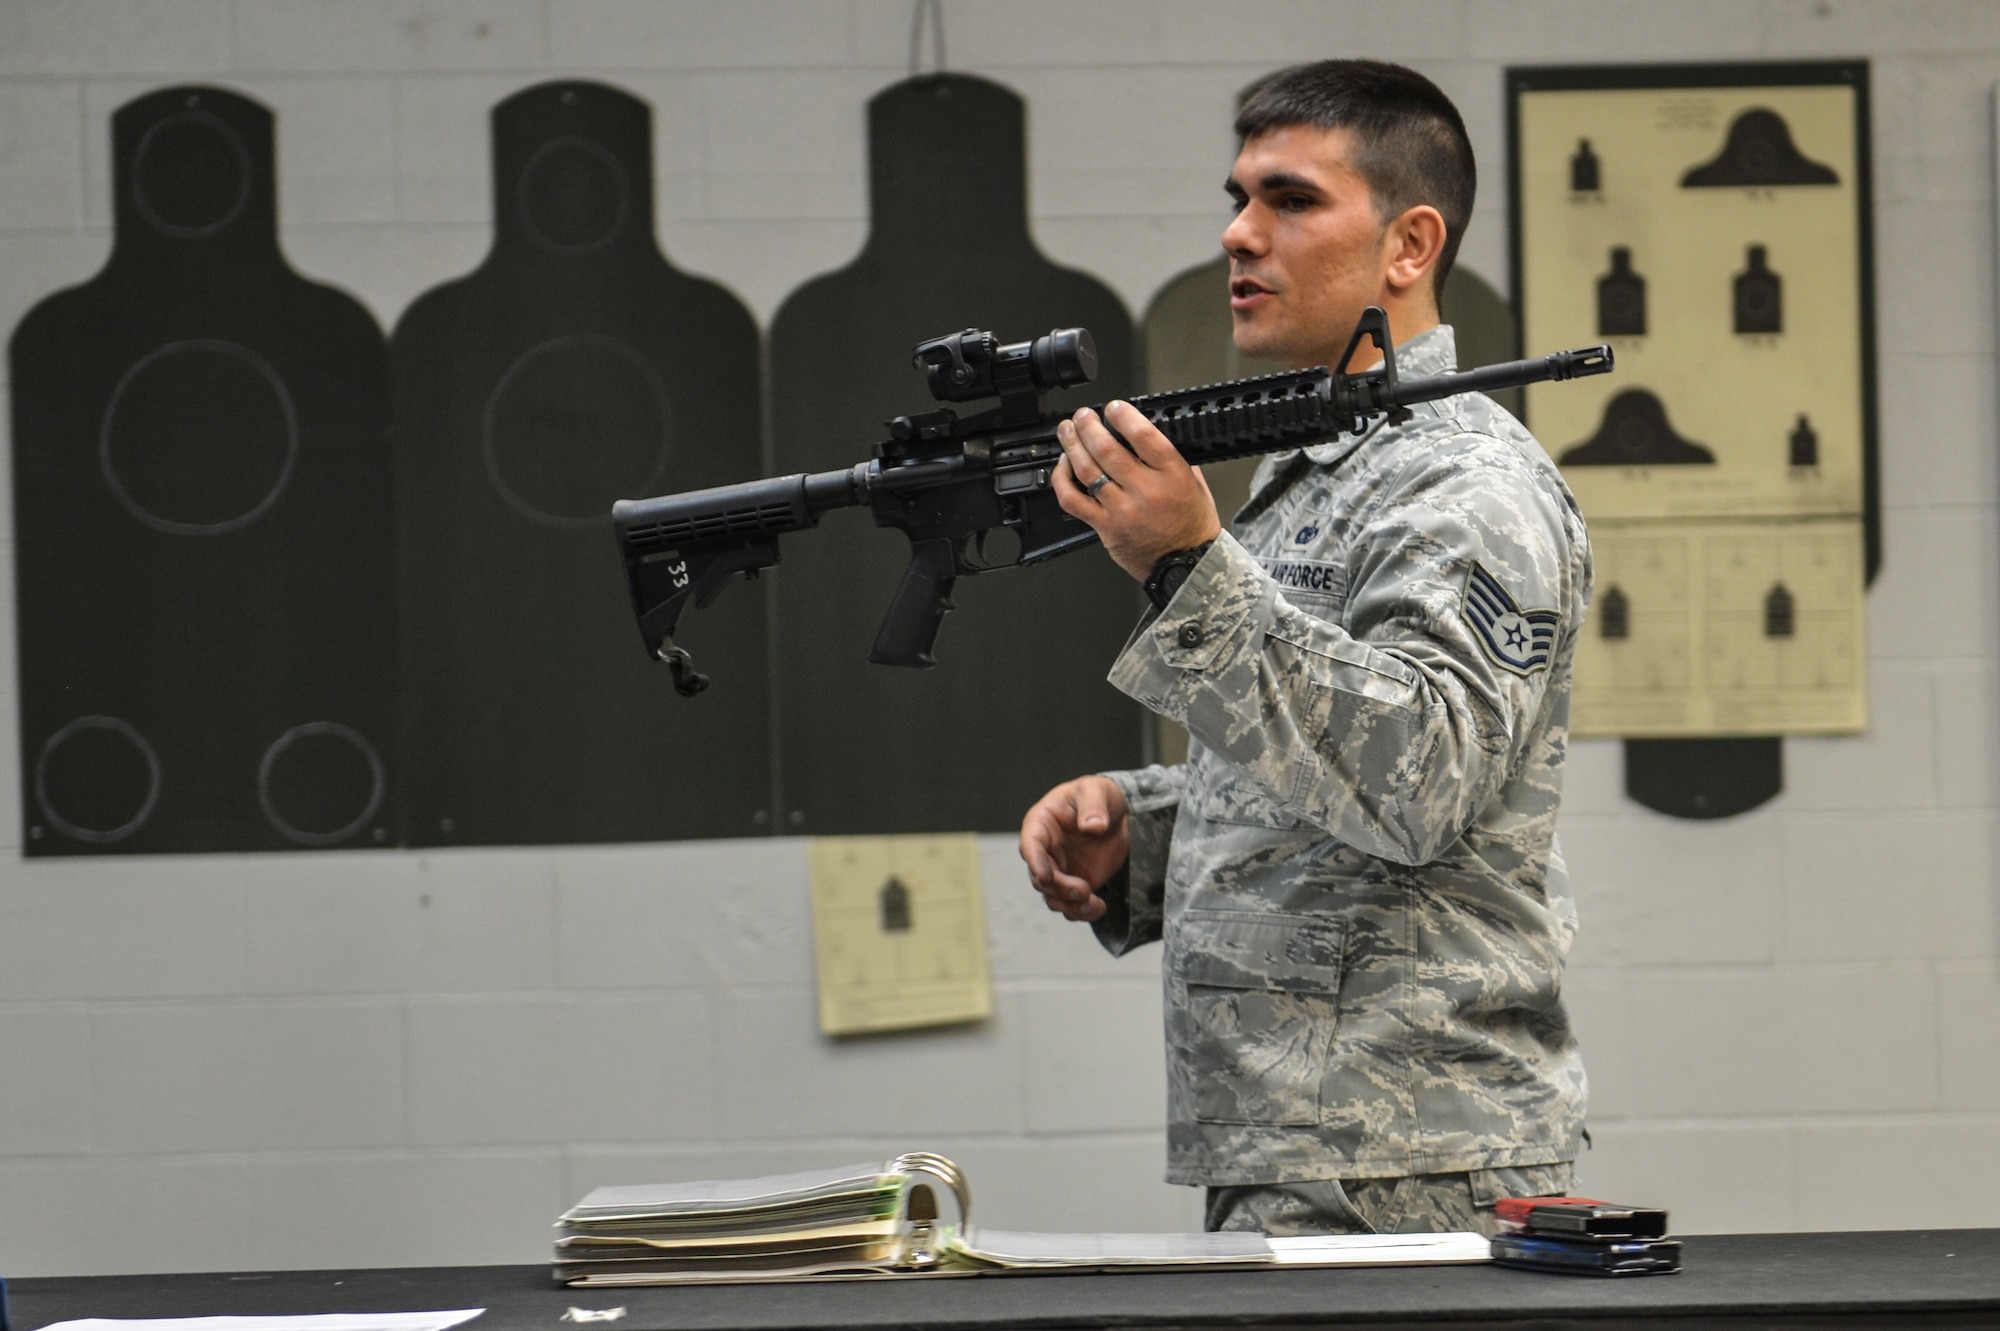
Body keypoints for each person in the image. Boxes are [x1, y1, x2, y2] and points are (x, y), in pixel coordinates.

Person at [1017, 59, 1590, 1238]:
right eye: (1235, 199)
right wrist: (1154, 828)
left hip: (1405, 1160)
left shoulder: (1461, 482)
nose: (1237, 234)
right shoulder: (1327, 459)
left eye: (1289, 200)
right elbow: (1329, 784)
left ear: (1407, 244)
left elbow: (1419, 780)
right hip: (1312, 1148)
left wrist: (1183, 565)